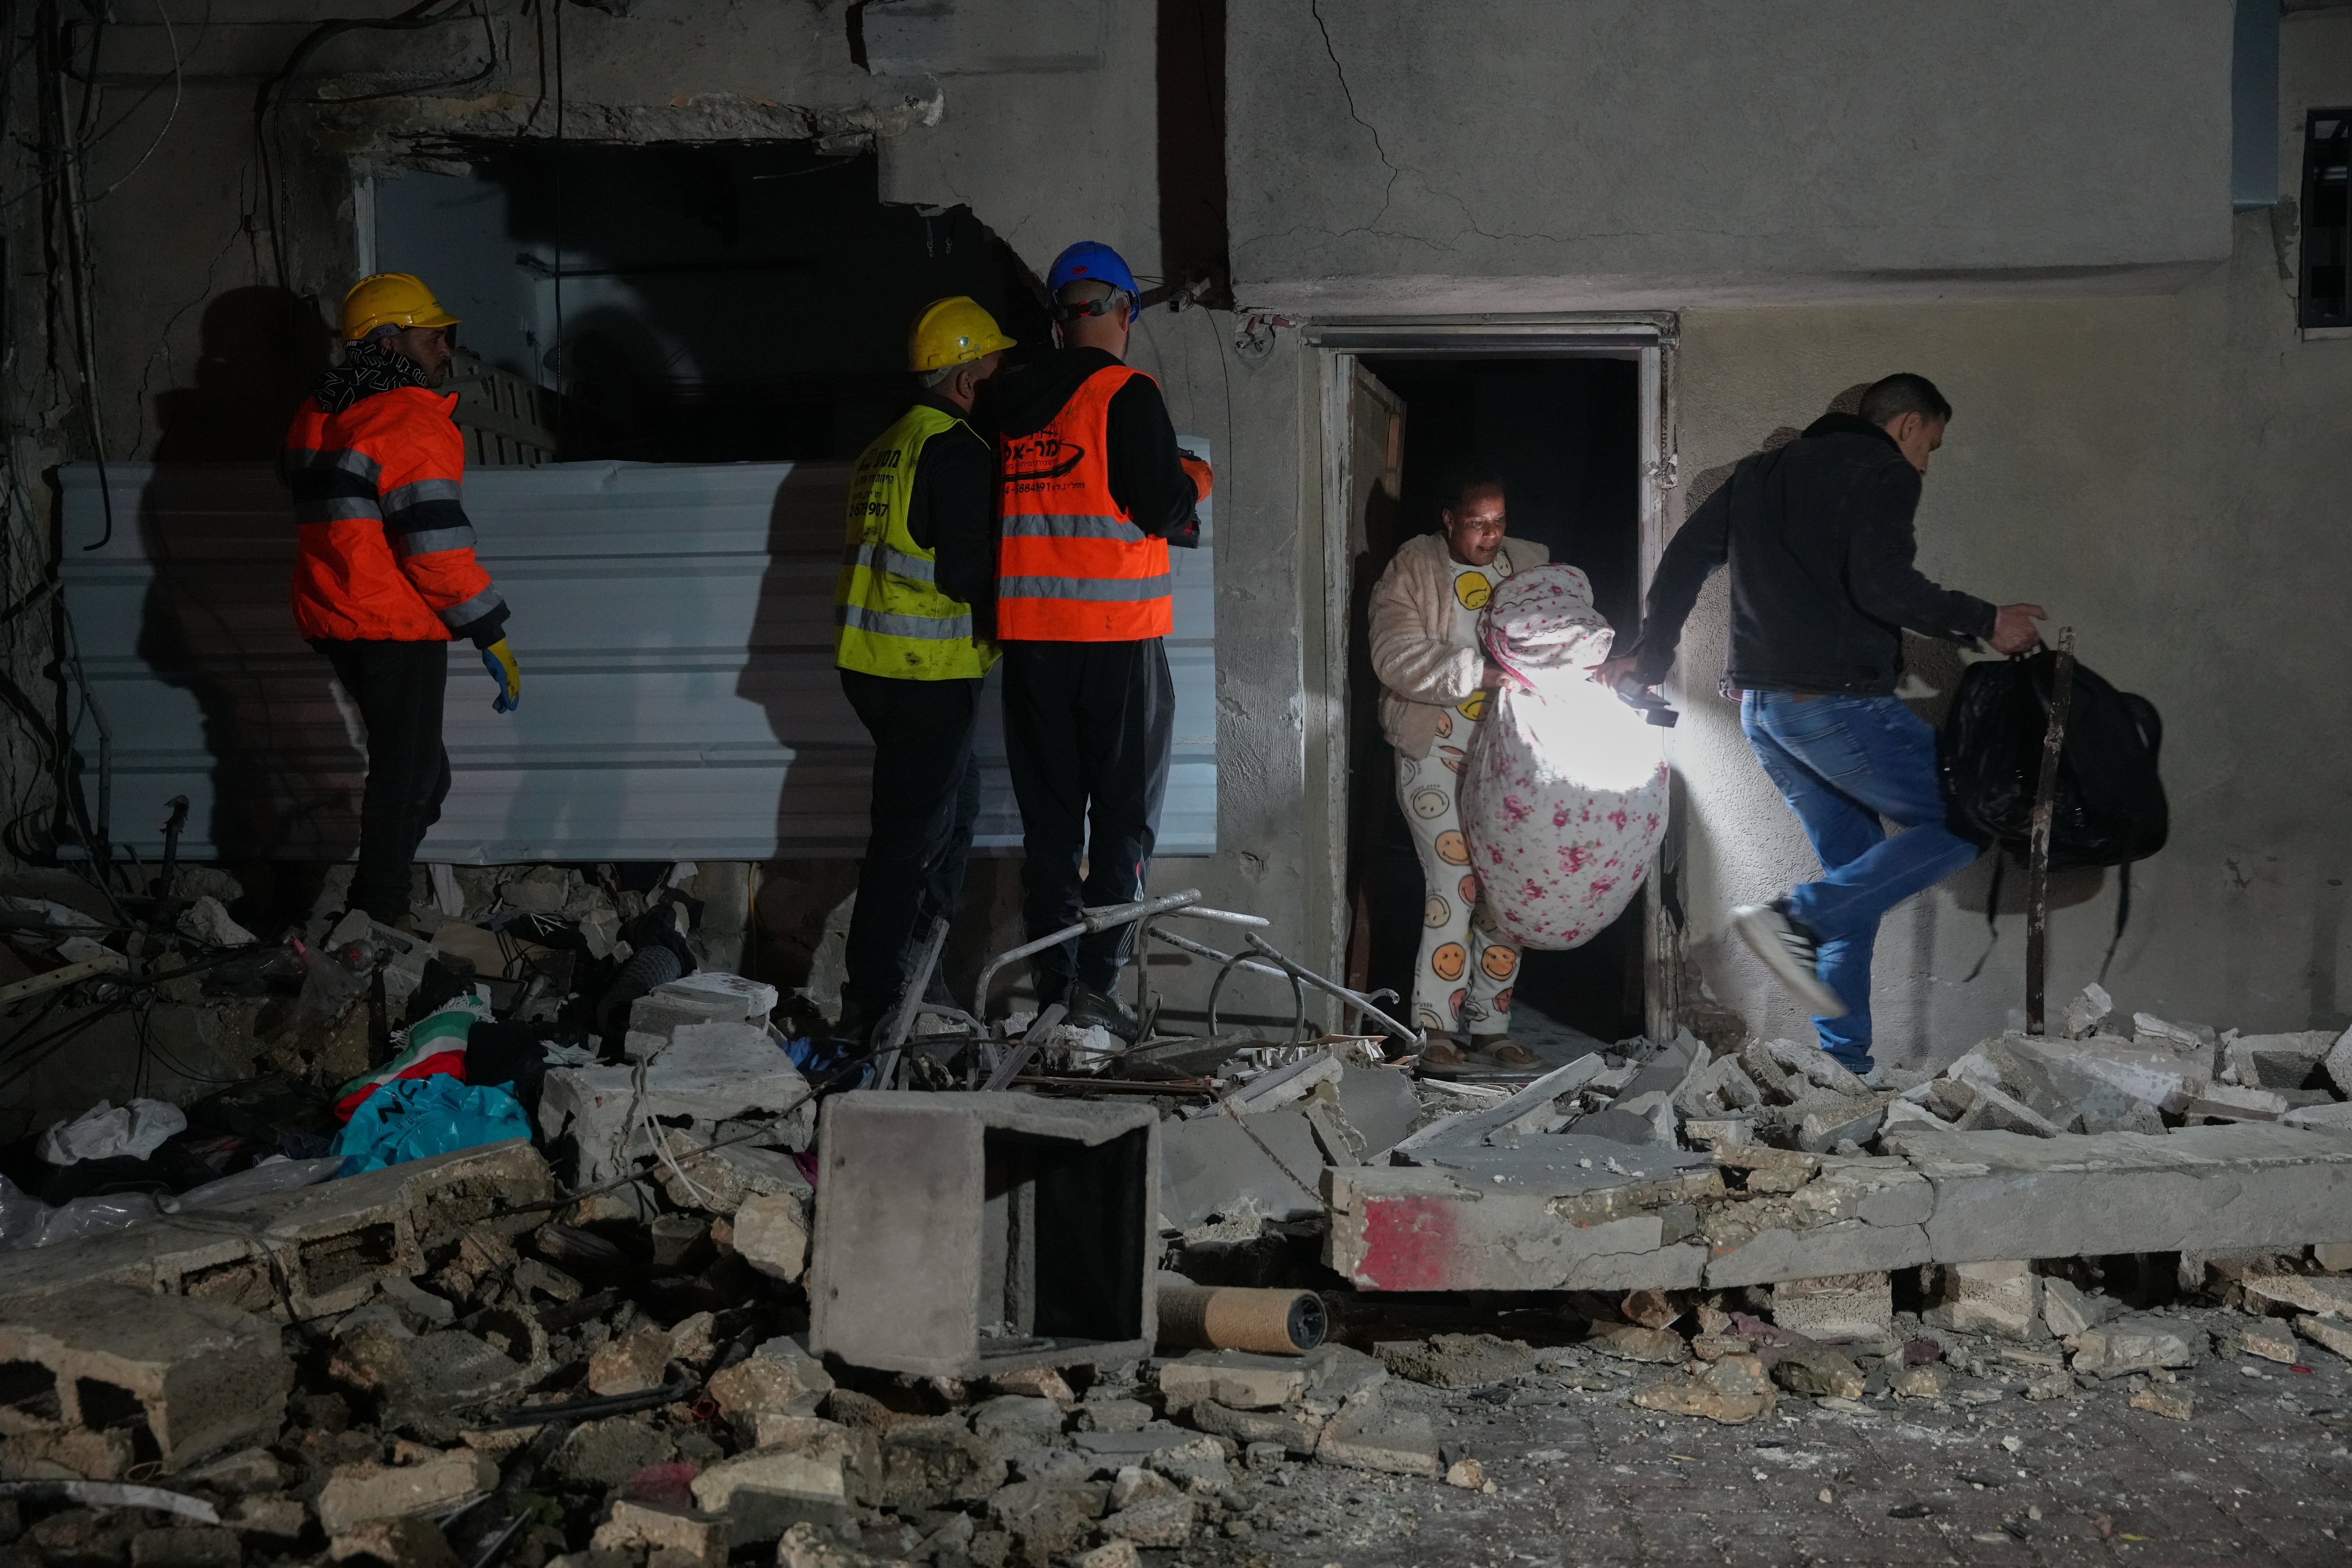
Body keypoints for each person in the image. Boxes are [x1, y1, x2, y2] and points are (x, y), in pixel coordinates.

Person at [1597, 373, 2045, 1074]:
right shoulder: (1882, 472)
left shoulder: (1759, 475)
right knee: (1969, 819)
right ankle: (1796, 920)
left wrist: (1652, 657)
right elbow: (1883, 585)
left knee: (1855, 878)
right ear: (1905, 426)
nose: (1926, 462)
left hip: (1764, 713)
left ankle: (1845, 1069)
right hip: (1832, 707)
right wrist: (1988, 619)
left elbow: (1685, 559)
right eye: (1932, 444)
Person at [979, 241, 1211, 1038]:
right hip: (1114, 642)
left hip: (1031, 648)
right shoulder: (1125, 393)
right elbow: (1163, 506)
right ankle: (1098, 990)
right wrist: (1193, 485)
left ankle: (1053, 986)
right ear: (1124, 312)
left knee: (1051, 827)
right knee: (1121, 820)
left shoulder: (1004, 405)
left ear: (1058, 317)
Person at [285, 273, 518, 927]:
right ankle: (377, 917)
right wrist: (490, 630)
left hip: (337, 617)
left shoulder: (317, 414)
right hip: (391, 621)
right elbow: (436, 548)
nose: (446, 349)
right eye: (432, 336)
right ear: (389, 342)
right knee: (407, 778)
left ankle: (375, 907)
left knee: (422, 778)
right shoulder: (409, 420)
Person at [827, 297, 1014, 1057]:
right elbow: (971, 570)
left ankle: (917, 973)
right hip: (925, 672)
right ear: (969, 378)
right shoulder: (957, 450)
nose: (1002, 378)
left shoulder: (887, 446)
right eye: (996, 366)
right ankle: (877, 996)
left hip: (874, 667)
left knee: (949, 818)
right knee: (909, 841)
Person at [1366, 470, 1544, 1070]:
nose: (1490, 536)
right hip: (1433, 752)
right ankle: (1435, 1028)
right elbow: (1393, 656)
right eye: (1476, 523)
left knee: (1503, 887)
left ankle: (1491, 1026)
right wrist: (1480, 673)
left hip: (1508, 759)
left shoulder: (1529, 568)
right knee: (1454, 879)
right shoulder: (1413, 569)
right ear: (1448, 519)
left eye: (1498, 522)